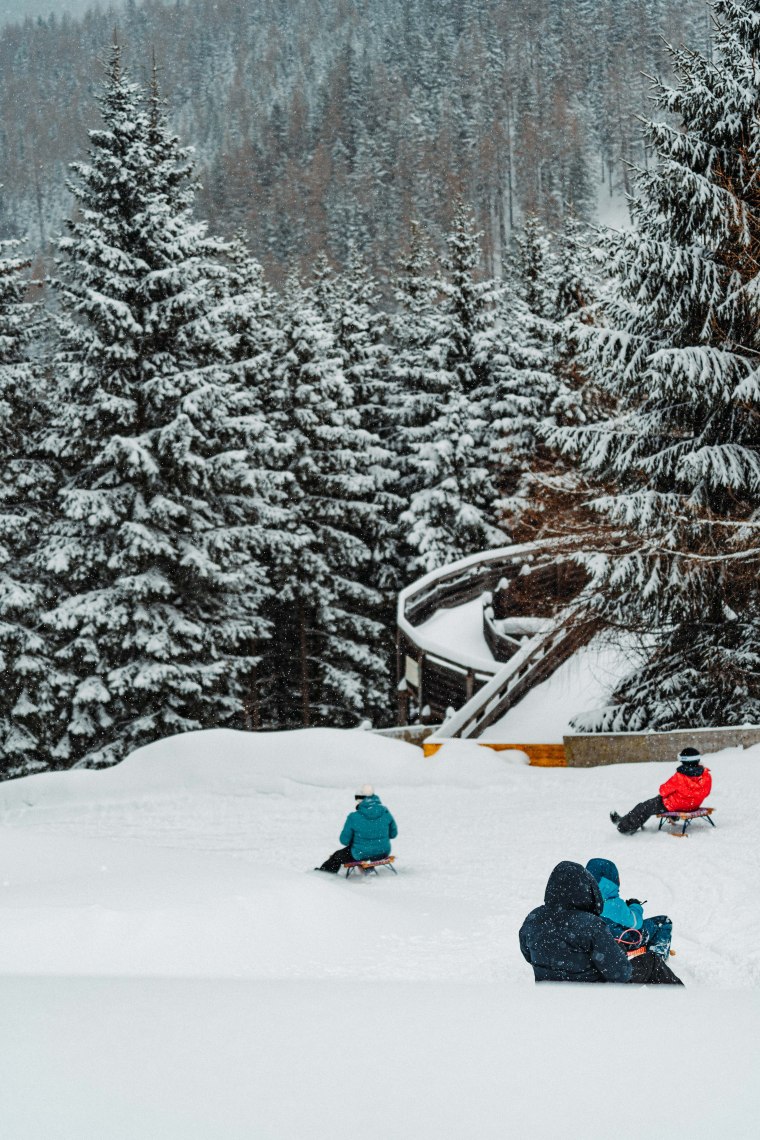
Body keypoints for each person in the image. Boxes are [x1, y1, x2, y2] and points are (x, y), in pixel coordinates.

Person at [519, 861, 632, 983]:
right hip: (590, 998)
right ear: (587, 888)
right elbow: (621, 973)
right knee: (651, 963)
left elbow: (528, 955)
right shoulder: (591, 925)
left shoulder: (534, 918)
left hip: (547, 996)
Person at [585, 857, 683, 984]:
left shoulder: (585, 900)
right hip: (624, 939)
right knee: (663, 922)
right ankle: (658, 957)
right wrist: (635, 906)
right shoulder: (614, 904)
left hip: (598, 943)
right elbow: (636, 922)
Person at [610, 746, 712, 835]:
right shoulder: (706, 775)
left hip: (674, 805)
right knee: (649, 805)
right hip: (693, 805)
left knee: (644, 807)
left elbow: (663, 790)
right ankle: (626, 820)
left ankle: (624, 827)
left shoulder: (679, 777)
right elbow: (706, 792)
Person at [315, 784, 398, 874]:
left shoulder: (354, 817)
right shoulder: (385, 812)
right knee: (363, 850)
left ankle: (324, 874)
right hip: (383, 852)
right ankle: (368, 868)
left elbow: (344, 841)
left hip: (361, 853)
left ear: (360, 799)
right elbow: (393, 834)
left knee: (337, 856)